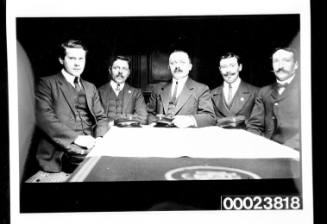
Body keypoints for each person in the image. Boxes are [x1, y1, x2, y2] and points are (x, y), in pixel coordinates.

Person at [35, 39, 109, 173]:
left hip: (91, 142)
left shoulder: (90, 87)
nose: (77, 63)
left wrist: (99, 138)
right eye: (72, 58)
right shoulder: (46, 83)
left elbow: (101, 117)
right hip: (61, 149)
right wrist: (77, 138)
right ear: (61, 60)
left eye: (81, 59)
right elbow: (45, 119)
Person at [247, 47, 301, 150]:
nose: (280, 66)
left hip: (295, 152)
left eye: (286, 61)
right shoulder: (264, 92)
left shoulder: (305, 90)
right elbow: (254, 126)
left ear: (296, 65)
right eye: (276, 61)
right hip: (268, 151)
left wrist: (284, 149)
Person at [147, 50, 216, 128]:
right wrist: (153, 123)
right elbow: (150, 113)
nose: (177, 66)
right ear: (169, 67)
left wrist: (190, 120)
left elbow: (210, 117)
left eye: (182, 62)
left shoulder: (201, 89)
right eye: (173, 63)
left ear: (190, 67)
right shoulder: (157, 89)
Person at [211, 52, 258, 128]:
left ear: (240, 67)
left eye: (232, 66)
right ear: (219, 69)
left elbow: (258, 124)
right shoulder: (211, 95)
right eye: (224, 67)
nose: (228, 70)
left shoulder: (255, 92)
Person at [98, 55, 147, 125]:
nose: (120, 72)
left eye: (124, 69)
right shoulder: (99, 92)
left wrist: (117, 120)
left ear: (128, 73)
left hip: (127, 133)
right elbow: (95, 119)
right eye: (116, 68)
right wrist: (128, 118)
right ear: (110, 70)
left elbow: (142, 118)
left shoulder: (136, 93)